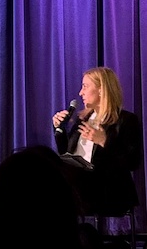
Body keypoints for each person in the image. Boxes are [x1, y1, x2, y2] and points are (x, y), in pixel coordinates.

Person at [52, 66, 143, 216]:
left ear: (101, 90)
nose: (81, 93)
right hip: (79, 184)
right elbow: (65, 153)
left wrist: (104, 141)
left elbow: (132, 162)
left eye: (85, 87)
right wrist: (59, 129)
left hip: (108, 189)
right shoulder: (83, 120)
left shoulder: (126, 120)